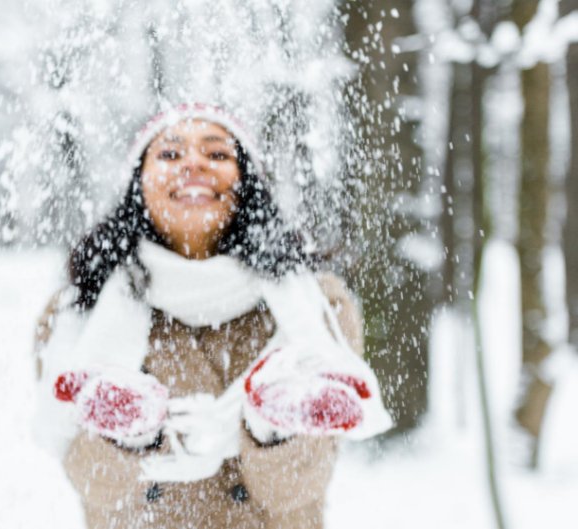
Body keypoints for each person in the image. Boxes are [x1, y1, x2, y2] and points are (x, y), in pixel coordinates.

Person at [32, 104, 386, 529]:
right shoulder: (78, 310)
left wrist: (274, 427)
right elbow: (93, 483)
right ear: (137, 184)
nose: (194, 164)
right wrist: (127, 435)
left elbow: (297, 490)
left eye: (217, 154)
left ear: (246, 183)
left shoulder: (317, 305)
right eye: (169, 154)